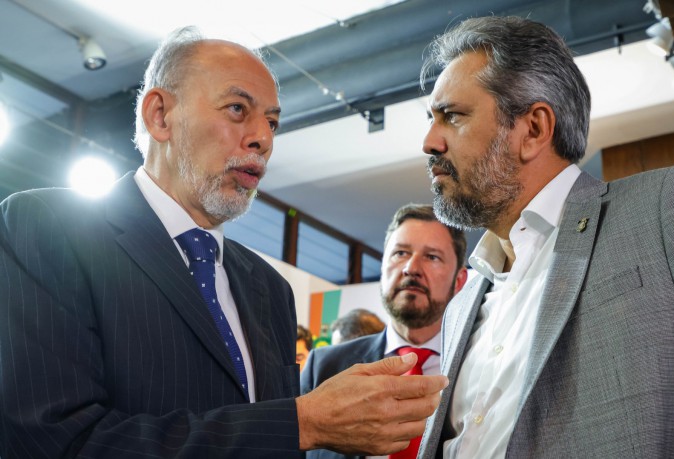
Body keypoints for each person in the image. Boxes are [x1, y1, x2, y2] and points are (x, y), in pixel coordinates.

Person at [0, 27, 447, 458]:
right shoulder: (48, 228)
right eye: (237, 109)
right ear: (160, 115)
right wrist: (303, 423)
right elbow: (56, 442)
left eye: (272, 122)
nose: (264, 138)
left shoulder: (270, 289)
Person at [416, 16, 674, 458]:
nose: (429, 141)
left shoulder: (662, 210)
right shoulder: (461, 305)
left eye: (452, 116)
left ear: (532, 130)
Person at [302, 203, 468, 459]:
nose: (411, 268)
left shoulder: (476, 369)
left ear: (459, 281)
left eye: (432, 257)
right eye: (400, 253)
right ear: (382, 267)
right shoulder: (324, 367)